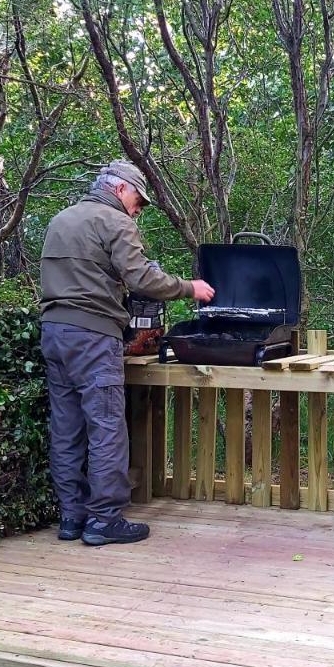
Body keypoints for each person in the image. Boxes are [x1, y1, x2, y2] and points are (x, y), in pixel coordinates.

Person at [39, 161, 215, 546]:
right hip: (92, 334)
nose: (139, 209)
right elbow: (140, 277)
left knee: (66, 428)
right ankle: (104, 520)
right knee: (105, 428)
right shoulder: (115, 221)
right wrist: (190, 288)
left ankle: (72, 517)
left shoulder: (61, 220)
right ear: (120, 190)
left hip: (54, 332)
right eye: (139, 200)